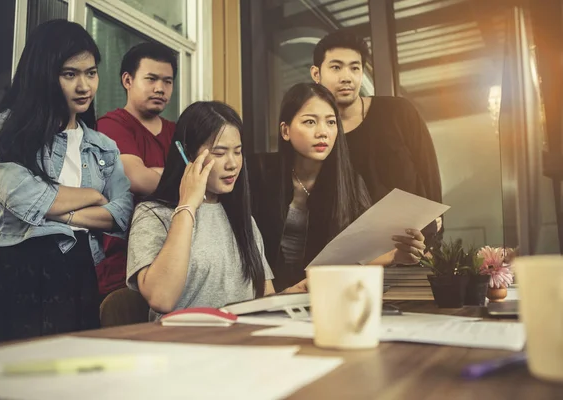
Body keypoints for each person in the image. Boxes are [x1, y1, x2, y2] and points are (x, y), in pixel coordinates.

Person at [0, 20, 133, 346]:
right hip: (11, 270)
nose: (84, 85)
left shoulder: (104, 147)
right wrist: (93, 195)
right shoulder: (8, 130)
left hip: (78, 272)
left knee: (67, 382)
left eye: (91, 72)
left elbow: (121, 214)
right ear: (44, 74)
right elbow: (23, 198)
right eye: (70, 74)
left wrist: (57, 210)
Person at [251, 83, 426, 292]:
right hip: (263, 299)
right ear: (285, 130)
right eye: (310, 122)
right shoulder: (259, 173)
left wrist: (396, 255)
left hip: (322, 295)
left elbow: (355, 255)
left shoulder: (349, 182)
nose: (322, 132)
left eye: (331, 122)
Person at [126, 101, 275, 320]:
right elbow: (161, 298)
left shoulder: (241, 218)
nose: (233, 164)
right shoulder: (153, 214)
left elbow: (264, 297)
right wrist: (187, 206)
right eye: (220, 153)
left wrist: (295, 295)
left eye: (238, 152)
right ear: (187, 155)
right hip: (183, 346)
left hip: (240, 344)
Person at [310, 29, 443, 248]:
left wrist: (434, 235)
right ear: (316, 74)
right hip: (359, 260)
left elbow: (430, 177)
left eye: (355, 68)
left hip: (417, 250)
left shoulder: (399, 111)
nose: (347, 77)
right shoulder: (321, 136)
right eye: (336, 67)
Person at [95, 42, 177, 298]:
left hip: (172, 255)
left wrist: (153, 172)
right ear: (127, 80)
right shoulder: (111, 125)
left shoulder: (177, 132)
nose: (160, 89)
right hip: (122, 264)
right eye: (151, 79)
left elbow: (205, 184)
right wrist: (181, 177)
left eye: (167, 81)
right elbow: (136, 179)